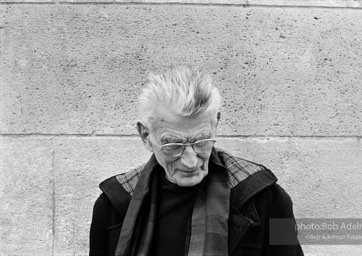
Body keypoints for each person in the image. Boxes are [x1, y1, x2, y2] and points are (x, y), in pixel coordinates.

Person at [89, 65, 304, 256]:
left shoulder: (270, 198)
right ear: (146, 136)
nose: (191, 162)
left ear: (215, 123)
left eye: (202, 142)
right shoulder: (112, 205)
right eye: (173, 146)